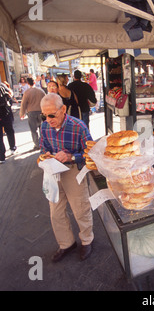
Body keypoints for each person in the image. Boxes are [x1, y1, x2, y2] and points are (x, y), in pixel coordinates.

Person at [39, 93, 94, 262]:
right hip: (52, 171)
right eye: (44, 115)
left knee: (80, 208)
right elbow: (43, 148)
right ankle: (66, 243)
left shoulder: (79, 126)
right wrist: (44, 156)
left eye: (51, 115)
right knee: (55, 211)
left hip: (73, 170)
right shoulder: (44, 127)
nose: (48, 119)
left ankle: (87, 240)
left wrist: (72, 157)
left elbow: (92, 154)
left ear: (63, 109)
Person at [20, 78, 45, 150]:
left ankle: (37, 144)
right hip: (41, 111)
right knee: (42, 129)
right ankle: (43, 143)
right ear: (34, 82)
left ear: (28, 83)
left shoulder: (27, 92)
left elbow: (23, 103)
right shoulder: (41, 91)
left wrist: (22, 113)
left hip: (31, 112)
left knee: (33, 130)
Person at [0, 82, 17, 163]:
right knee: (10, 131)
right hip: (6, 113)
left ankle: (1, 156)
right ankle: (12, 148)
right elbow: (10, 95)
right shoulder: (2, 85)